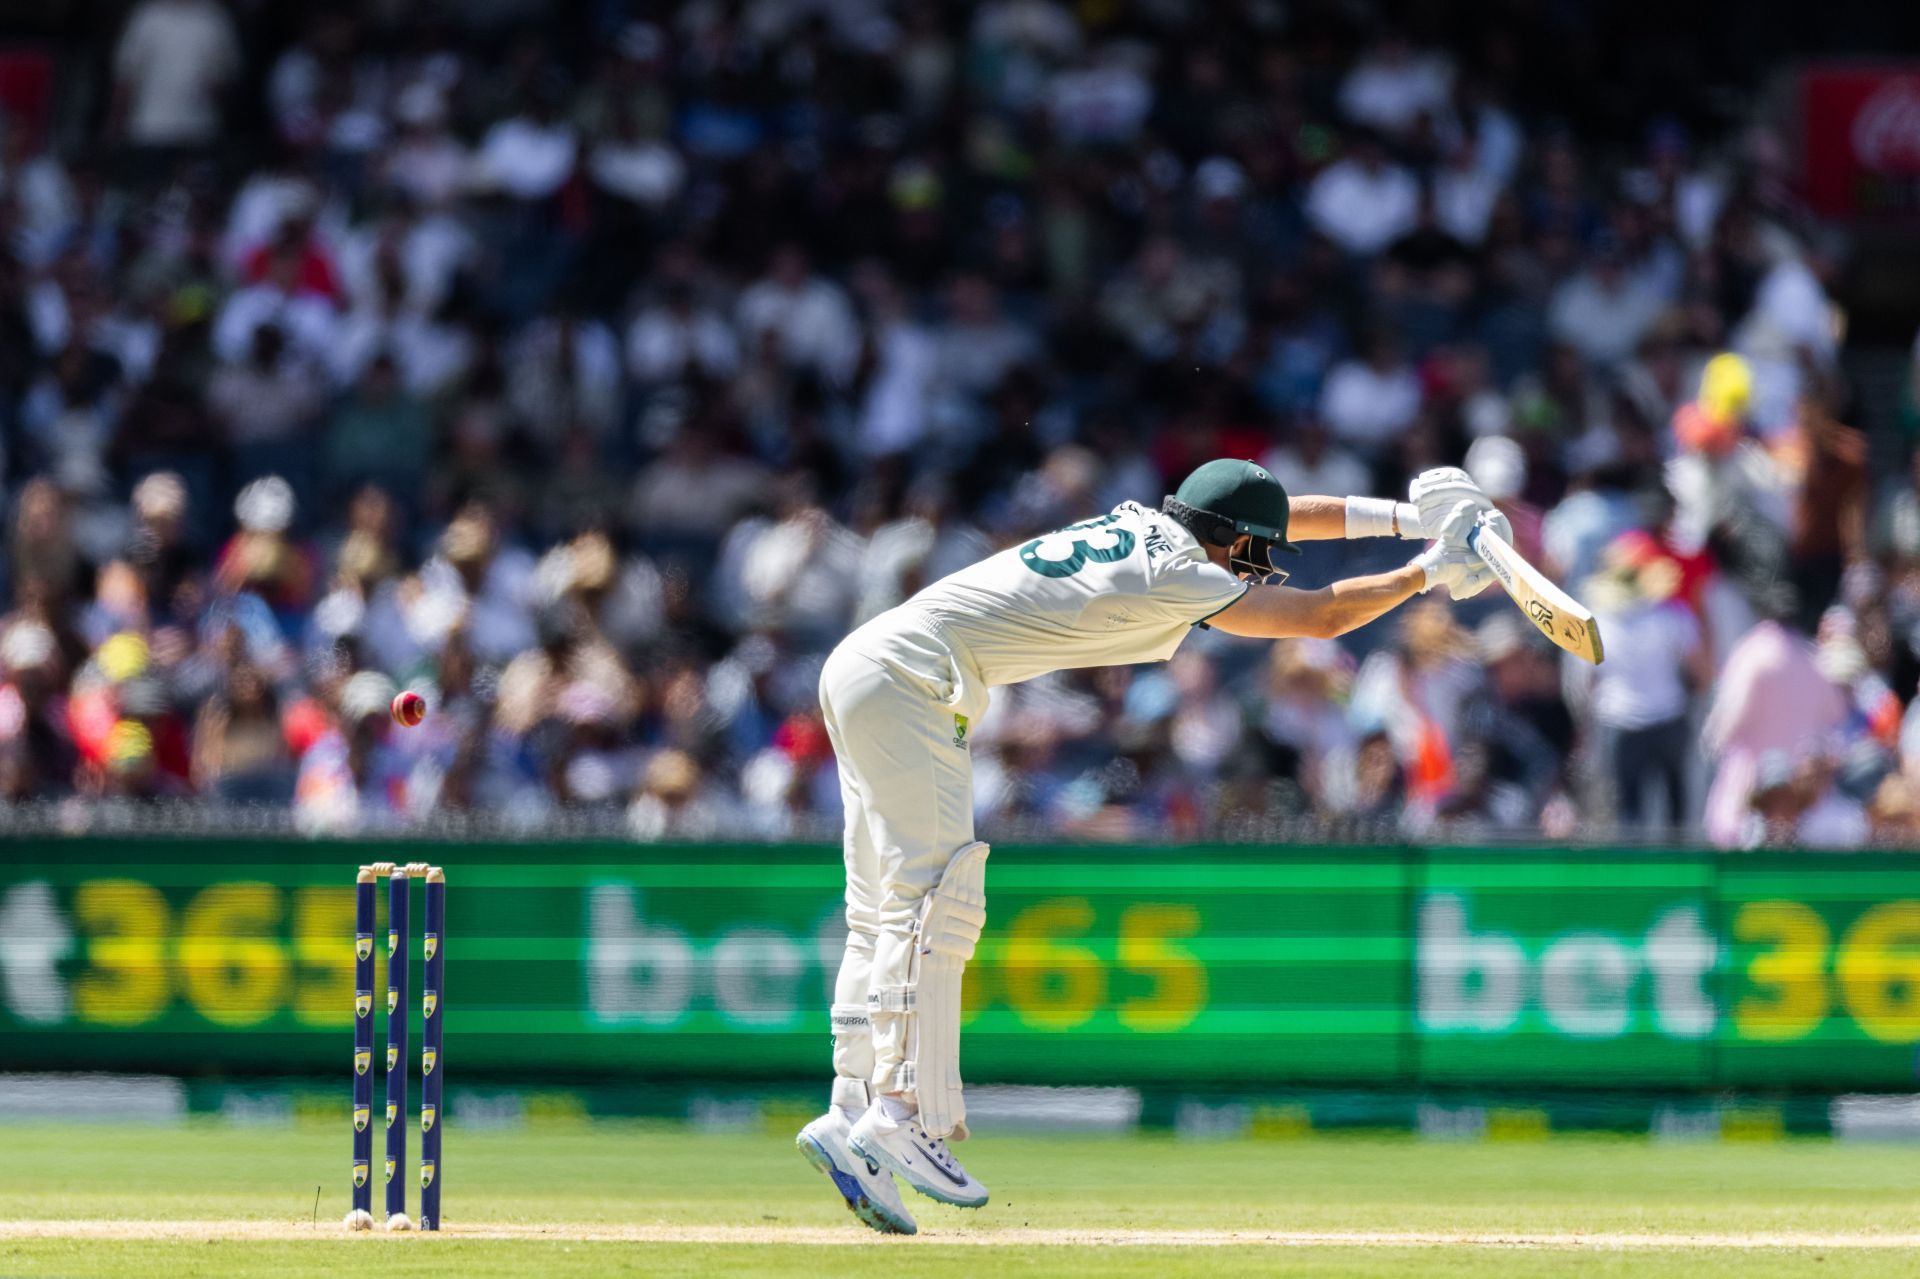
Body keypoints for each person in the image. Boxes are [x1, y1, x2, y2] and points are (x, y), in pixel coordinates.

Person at [798, 458, 1506, 1234]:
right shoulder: (1182, 574)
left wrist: (1409, 517)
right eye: (1252, 551)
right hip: (913, 680)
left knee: (879, 910)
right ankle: (900, 1112)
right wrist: (1430, 570)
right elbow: (1319, 617)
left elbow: (1275, 510)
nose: (1256, 567)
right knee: (936, 900)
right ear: (1228, 540)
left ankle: (850, 1106)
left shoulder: (1149, 521)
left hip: (866, 662)